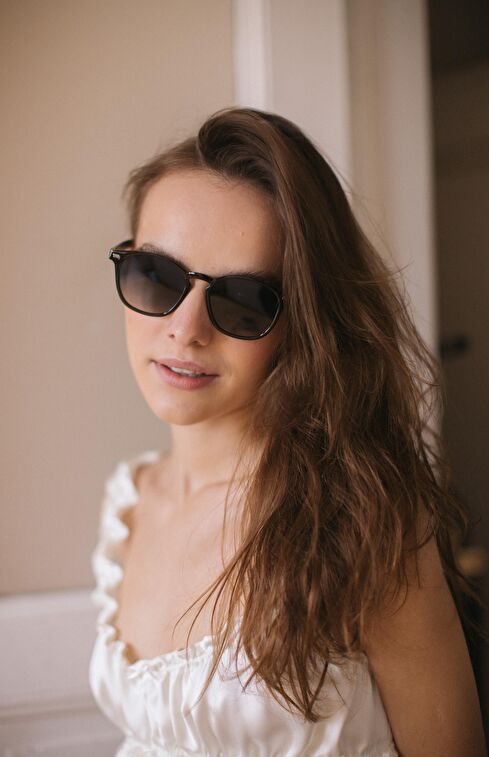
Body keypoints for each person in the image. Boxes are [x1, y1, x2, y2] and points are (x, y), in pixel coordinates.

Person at [89, 106, 487, 756]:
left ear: (302, 321)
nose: (186, 329)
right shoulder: (128, 502)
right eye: (156, 276)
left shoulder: (358, 519)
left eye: (243, 299)